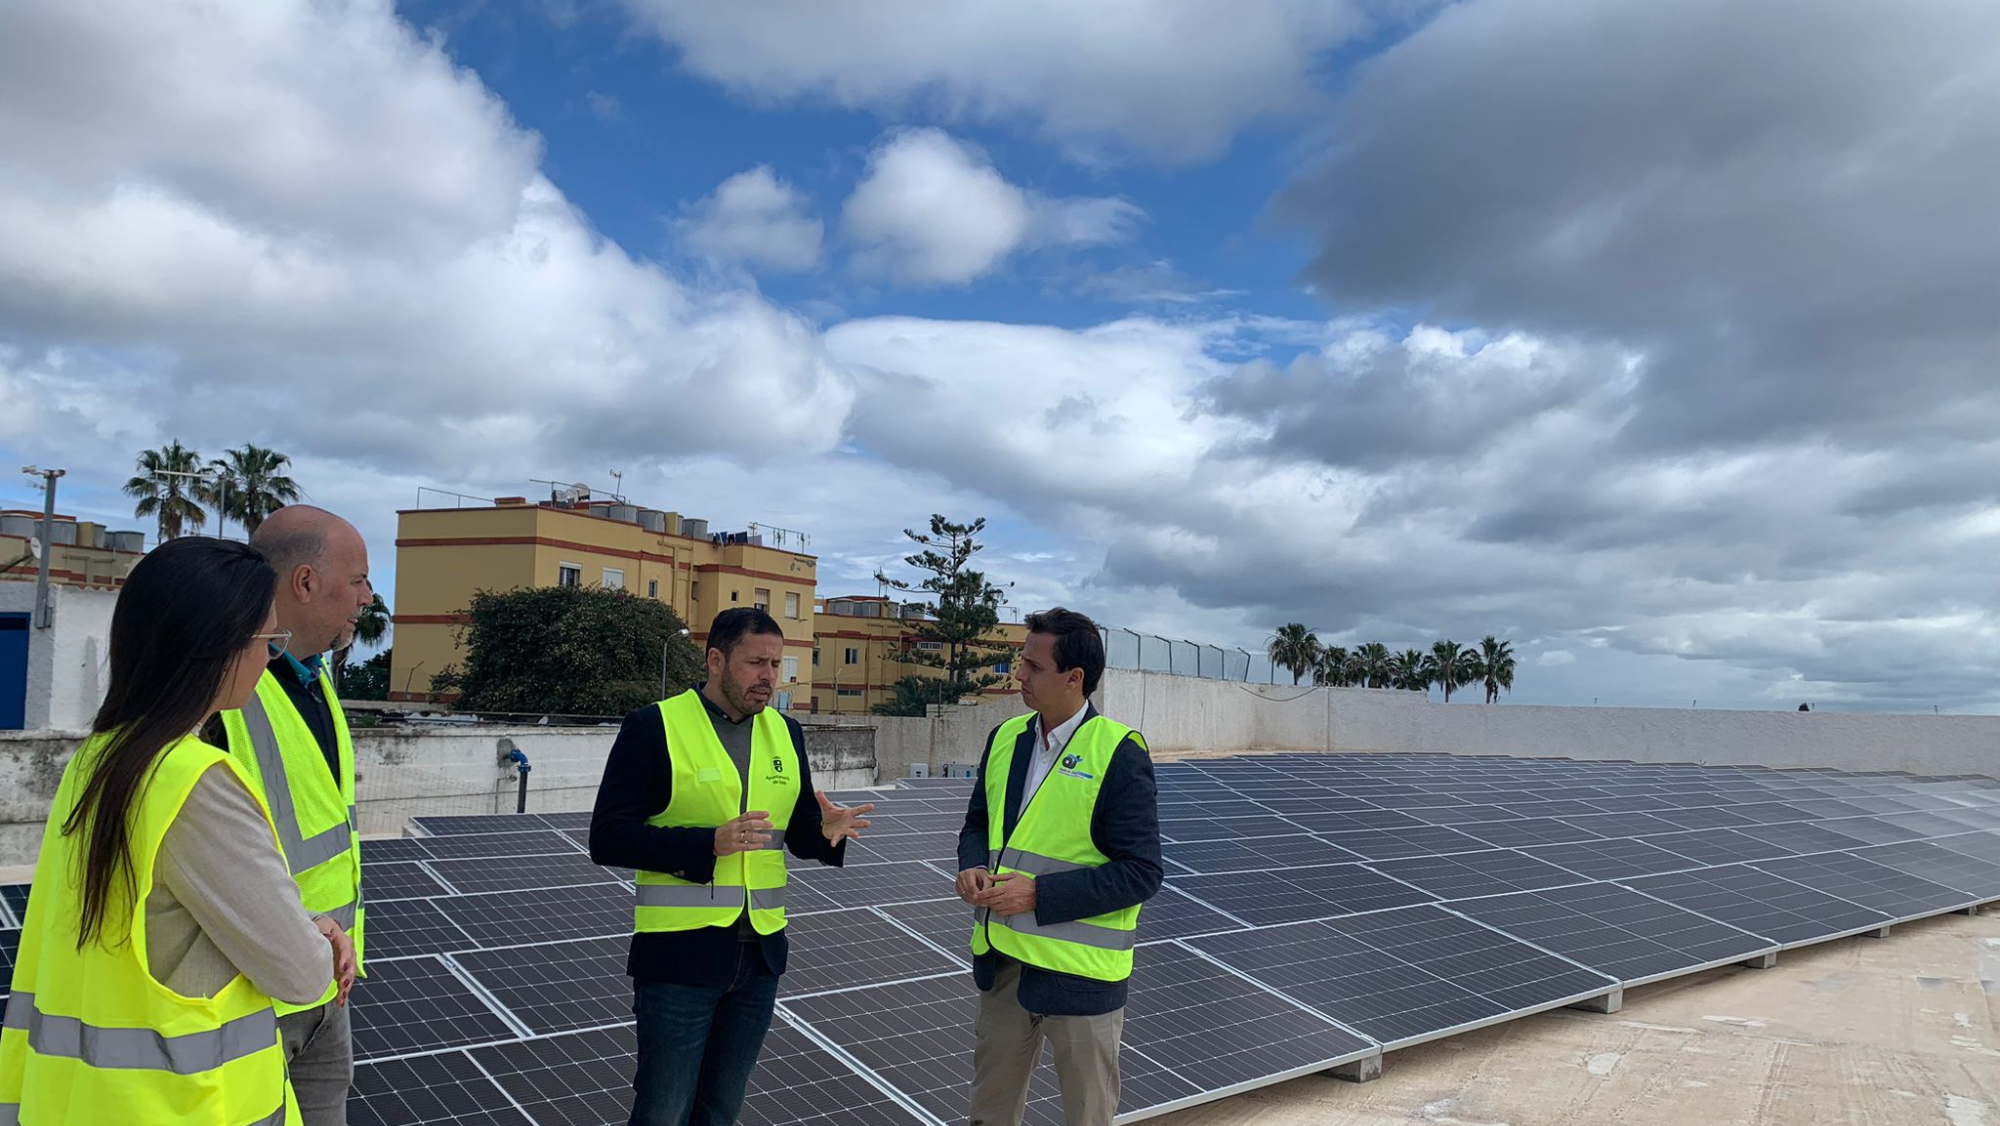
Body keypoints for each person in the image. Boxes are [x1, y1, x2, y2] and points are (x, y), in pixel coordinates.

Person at [0, 536, 355, 1126]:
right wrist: (318, 931)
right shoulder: (196, 782)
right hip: (186, 1106)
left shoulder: (100, 759)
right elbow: (300, 974)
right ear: (215, 647)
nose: (271, 658)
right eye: (267, 640)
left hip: (84, 1102)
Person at [589, 608, 875, 1126]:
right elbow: (606, 837)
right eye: (755, 663)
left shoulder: (786, 732)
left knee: (721, 1111)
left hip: (760, 957)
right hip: (679, 957)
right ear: (716, 660)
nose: (769, 677)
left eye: (777, 664)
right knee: (663, 1111)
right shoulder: (654, 727)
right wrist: (706, 844)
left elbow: (798, 831)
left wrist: (825, 832)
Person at [956, 607, 1163, 1126]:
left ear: (1074, 678)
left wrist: (1038, 896)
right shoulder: (1005, 738)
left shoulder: (1118, 751)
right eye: (1019, 661)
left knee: (1086, 1116)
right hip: (1003, 964)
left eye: (1032, 666)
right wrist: (972, 866)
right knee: (989, 1113)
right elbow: (977, 823)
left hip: (1081, 980)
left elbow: (1142, 871)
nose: (1018, 675)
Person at [211, 506, 376, 1126]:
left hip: (325, 984)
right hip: (248, 991)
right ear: (305, 583)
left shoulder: (316, 684)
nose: (367, 596)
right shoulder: (223, 694)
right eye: (358, 580)